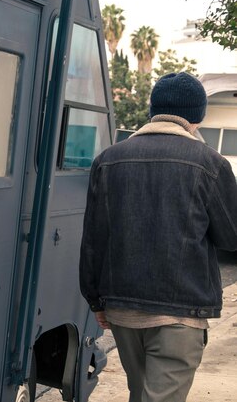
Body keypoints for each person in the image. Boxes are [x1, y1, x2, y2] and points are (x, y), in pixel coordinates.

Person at [79, 72, 237, 402]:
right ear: (198, 116)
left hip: (122, 310)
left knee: (142, 393)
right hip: (180, 313)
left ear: (152, 109)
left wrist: (95, 300)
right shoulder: (211, 164)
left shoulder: (108, 160)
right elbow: (231, 237)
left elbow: (94, 238)